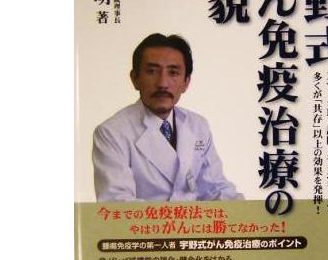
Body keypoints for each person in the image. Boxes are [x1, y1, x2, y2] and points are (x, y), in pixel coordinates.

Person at [93, 33, 243, 202]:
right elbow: (118, 203)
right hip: (150, 221)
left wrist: (248, 209)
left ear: (186, 82)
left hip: (195, 220)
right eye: (152, 71)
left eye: (173, 72)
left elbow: (215, 188)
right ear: (135, 79)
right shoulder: (111, 133)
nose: (162, 83)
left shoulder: (197, 125)